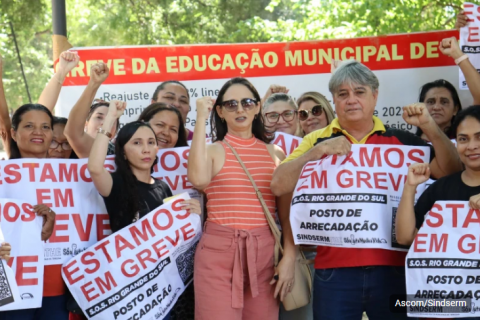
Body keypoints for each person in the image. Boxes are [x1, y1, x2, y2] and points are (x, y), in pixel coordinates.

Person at [270, 60, 463, 320]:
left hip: (392, 271)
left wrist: (430, 127)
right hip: (333, 272)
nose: (351, 100)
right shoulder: (316, 140)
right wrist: (316, 153)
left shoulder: (402, 140)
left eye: (359, 92)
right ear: (334, 101)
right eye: (343, 94)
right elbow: (278, 184)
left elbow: (450, 171)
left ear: (375, 96)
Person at [188, 77, 295, 320]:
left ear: (258, 107)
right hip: (219, 253)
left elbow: (287, 214)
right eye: (231, 104)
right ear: (220, 111)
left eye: (247, 102)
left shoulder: (275, 153)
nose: (240, 109)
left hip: (265, 254)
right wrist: (201, 118)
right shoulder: (214, 150)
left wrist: (289, 257)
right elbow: (198, 179)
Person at [87, 100, 201, 320]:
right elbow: (94, 166)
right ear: (123, 151)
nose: (146, 148)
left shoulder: (163, 187)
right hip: (130, 290)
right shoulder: (115, 184)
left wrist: (194, 213)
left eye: (151, 142)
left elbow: (174, 236)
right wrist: (110, 117)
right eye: (137, 143)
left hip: (163, 288)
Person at [395, 106, 480, 320]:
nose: (472, 146)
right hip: (448, 304)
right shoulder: (442, 188)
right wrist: (410, 187)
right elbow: (405, 237)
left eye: (479, 137)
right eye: (463, 139)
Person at [0, 104, 60, 320]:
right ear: (14, 133)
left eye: (45, 126)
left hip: (56, 288)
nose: (38, 132)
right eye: (29, 126)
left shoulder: (73, 176)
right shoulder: (1, 175)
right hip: (12, 284)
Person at [415, 37, 480, 141]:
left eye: (444, 102)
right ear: (421, 108)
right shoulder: (409, 143)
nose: (436, 107)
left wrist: (458, 55)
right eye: (431, 102)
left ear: (455, 109)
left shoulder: (464, 140)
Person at [64, 62, 119, 158]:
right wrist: (94, 83)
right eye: (99, 117)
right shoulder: (71, 150)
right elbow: (72, 131)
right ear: (86, 123)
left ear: (116, 130)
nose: (104, 123)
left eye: (111, 120)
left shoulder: (121, 153)